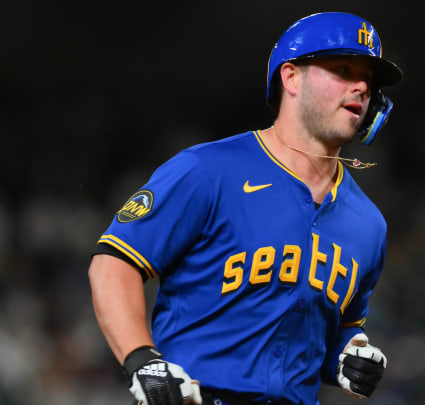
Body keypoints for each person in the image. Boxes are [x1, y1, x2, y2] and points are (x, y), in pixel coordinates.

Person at [87, 11, 403, 405]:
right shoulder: (208, 170)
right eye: (342, 68)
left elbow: (339, 329)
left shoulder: (368, 224)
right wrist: (141, 359)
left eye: (368, 81)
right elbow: (114, 264)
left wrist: (348, 356)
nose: (360, 86)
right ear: (291, 77)